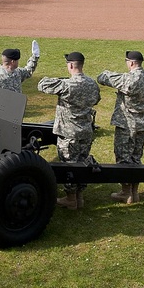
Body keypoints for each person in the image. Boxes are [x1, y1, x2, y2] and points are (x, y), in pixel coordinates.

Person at [37, 52, 100, 210]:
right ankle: (80, 197)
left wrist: (62, 80)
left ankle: (71, 199)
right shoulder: (92, 84)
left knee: (69, 165)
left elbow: (42, 84)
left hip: (69, 133)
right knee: (83, 162)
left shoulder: (66, 85)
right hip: (86, 130)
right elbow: (96, 99)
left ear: (71, 65)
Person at [96, 51, 144, 204]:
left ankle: (126, 192)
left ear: (130, 63)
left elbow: (102, 78)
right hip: (143, 123)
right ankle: (135, 193)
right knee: (136, 158)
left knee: (123, 158)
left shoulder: (128, 79)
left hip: (127, 124)